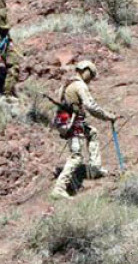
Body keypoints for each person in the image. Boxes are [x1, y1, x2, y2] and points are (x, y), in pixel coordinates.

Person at [50, 60, 119, 199]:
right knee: (77, 156)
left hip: (66, 120)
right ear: (85, 70)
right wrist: (108, 116)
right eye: (91, 75)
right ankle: (59, 188)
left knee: (92, 132)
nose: (91, 79)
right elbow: (91, 106)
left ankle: (94, 168)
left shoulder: (67, 83)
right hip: (71, 122)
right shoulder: (79, 85)